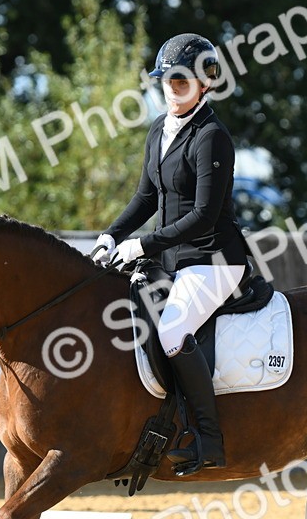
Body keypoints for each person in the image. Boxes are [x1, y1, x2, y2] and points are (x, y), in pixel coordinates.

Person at [94, 33, 249, 477]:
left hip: (215, 258)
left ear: (205, 85)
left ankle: (209, 439)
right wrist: (112, 236)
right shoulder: (159, 130)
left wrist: (142, 244)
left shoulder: (212, 136)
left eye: (182, 83)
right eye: (166, 81)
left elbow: (203, 215)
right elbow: (146, 197)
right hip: (174, 259)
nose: (172, 89)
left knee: (172, 329)